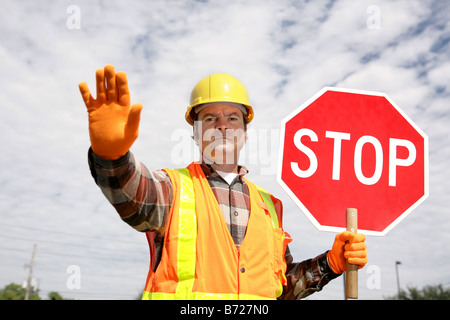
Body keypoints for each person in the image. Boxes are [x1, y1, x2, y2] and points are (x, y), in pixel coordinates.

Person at [78, 65, 367, 300]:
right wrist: (111, 154)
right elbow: (130, 193)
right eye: (210, 118)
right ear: (195, 132)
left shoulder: (270, 206)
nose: (223, 125)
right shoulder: (172, 188)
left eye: (232, 117)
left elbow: (280, 289)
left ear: (244, 132)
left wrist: (331, 263)